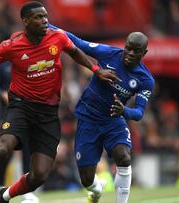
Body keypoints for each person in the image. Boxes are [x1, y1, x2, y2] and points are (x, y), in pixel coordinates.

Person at [0, 2, 116, 203]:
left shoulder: (58, 37)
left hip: (48, 113)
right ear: (25, 21)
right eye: (39, 18)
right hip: (21, 107)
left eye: (45, 16)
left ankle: (4, 195)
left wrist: (95, 70)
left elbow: (75, 52)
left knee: (39, 175)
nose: (45, 21)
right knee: (2, 151)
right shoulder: (11, 45)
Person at [48, 24, 155, 203]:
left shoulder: (145, 80)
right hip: (88, 118)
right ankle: (96, 191)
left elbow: (139, 113)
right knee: (86, 178)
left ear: (144, 53)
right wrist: (48, 26)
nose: (129, 53)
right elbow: (77, 42)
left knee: (123, 156)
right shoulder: (108, 53)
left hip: (114, 120)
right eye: (128, 48)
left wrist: (124, 111)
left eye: (135, 51)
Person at [0, 62, 38, 202]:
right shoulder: (2, 66)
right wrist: (2, 93)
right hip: (7, 113)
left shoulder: (27, 62)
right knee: (6, 152)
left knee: (27, 152)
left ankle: (27, 189)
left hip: (26, 113)